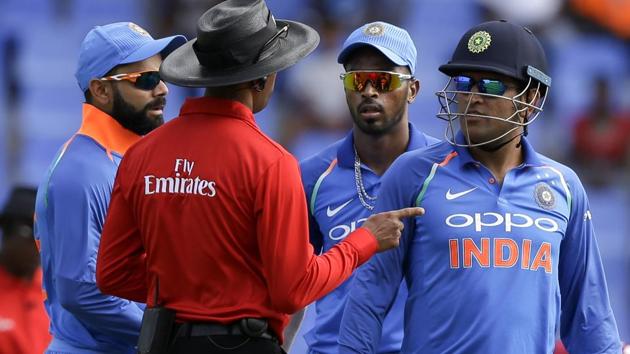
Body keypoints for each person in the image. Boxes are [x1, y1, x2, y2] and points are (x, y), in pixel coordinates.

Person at [94, 1, 423, 354]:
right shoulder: (270, 161)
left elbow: (112, 272)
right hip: (243, 344)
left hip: (168, 342)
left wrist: (188, 285)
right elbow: (293, 289)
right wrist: (365, 240)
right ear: (262, 78)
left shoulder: (142, 154)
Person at [338, 20, 622, 353]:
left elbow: (588, 318)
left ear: (532, 96)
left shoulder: (564, 186)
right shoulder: (414, 174)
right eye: (463, 83)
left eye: (489, 85)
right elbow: (368, 299)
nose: (471, 98)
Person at [34, 22, 186, 354]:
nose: (162, 90)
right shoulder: (83, 171)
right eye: (146, 80)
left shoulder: (124, 160)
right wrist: (172, 338)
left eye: (162, 77)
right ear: (101, 90)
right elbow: (82, 291)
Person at [299, 21, 438, 354]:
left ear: (413, 89)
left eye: (383, 79)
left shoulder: (447, 170)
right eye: (357, 79)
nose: (369, 90)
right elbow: (294, 287)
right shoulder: (312, 176)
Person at [0, 186, 51, 353]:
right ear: (8, 235)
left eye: (42, 237)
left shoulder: (55, 292)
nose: (36, 247)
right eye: (30, 235)